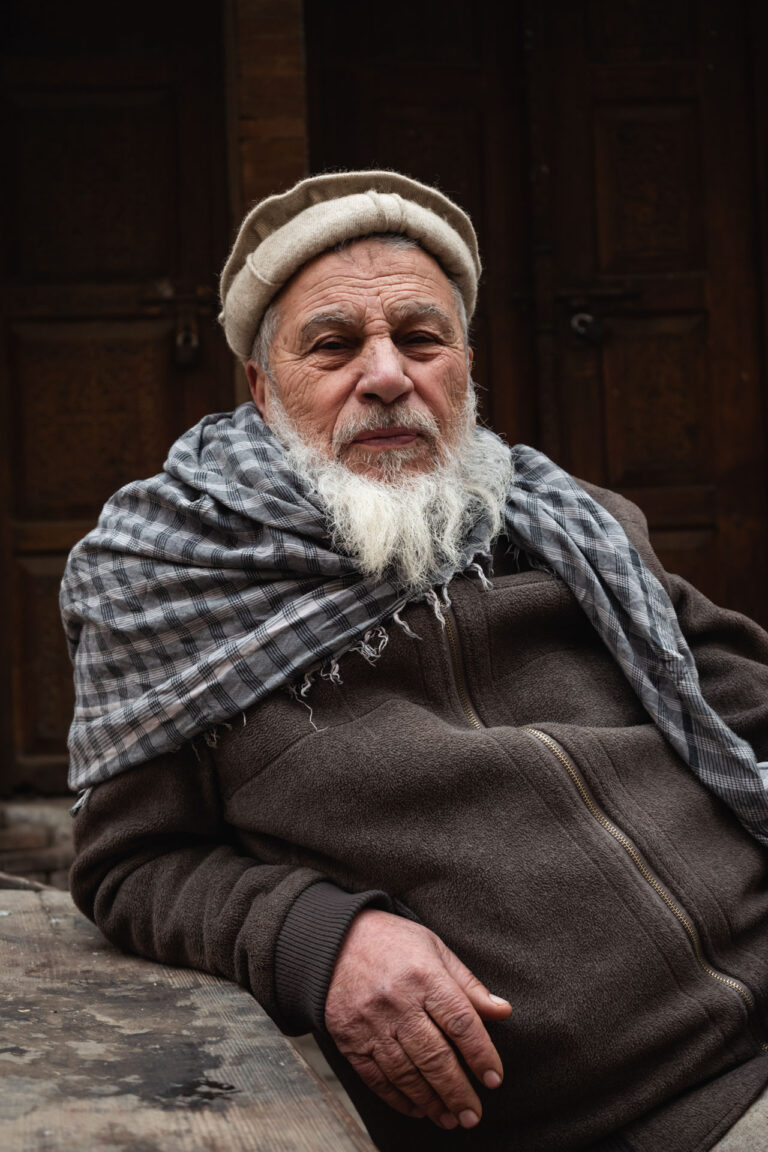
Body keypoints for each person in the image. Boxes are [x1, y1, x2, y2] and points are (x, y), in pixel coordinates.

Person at [62, 171, 768, 1151]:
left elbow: (743, 704)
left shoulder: (574, 525)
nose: (387, 374)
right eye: (335, 345)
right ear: (263, 390)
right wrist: (319, 936)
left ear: (463, 371)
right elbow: (132, 866)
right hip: (630, 1110)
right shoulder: (166, 588)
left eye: (421, 339)